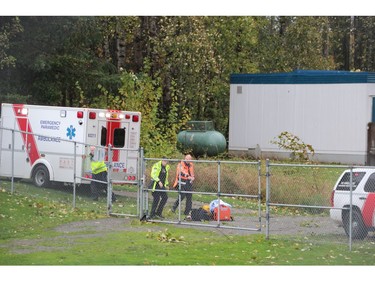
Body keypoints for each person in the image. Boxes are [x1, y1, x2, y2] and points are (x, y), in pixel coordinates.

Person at [171, 154, 195, 219]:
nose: (188, 160)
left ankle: (187, 211)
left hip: (188, 183)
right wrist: (188, 177)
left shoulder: (191, 165)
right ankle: (174, 207)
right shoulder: (180, 164)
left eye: (189, 159)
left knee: (189, 196)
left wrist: (192, 178)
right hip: (180, 182)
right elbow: (182, 172)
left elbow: (192, 173)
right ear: (185, 158)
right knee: (182, 195)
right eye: (187, 159)